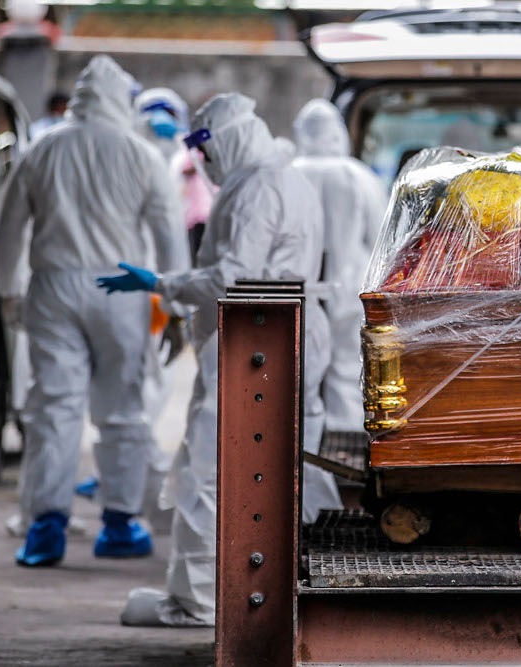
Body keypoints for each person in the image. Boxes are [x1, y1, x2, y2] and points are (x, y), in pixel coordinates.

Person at [98, 93, 341, 627]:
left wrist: (162, 284)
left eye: (206, 147)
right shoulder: (283, 179)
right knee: (286, 467)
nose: (203, 162)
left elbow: (234, 276)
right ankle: (280, 592)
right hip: (288, 331)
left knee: (211, 469)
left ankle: (200, 601)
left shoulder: (256, 187)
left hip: (258, 340)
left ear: (227, 137)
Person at [0, 55, 188, 566]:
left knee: (53, 407)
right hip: (120, 288)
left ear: (79, 98)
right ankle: (120, 524)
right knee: (123, 407)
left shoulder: (42, 148)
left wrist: (7, 291)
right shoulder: (140, 154)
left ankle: (45, 528)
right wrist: (176, 302)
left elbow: (9, 228)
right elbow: (170, 236)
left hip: (53, 286)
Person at [293, 99, 387, 433]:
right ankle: (344, 457)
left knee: (296, 379)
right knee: (348, 373)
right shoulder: (358, 175)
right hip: (351, 292)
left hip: (295, 294)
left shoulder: (287, 174)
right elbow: (383, 241)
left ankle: (303, 453)